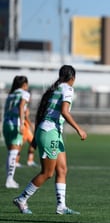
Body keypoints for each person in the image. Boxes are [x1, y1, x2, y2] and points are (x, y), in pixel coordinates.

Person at [13, 65, 87, 214]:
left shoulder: (55, 88)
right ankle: (22, 199)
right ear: (72, 78)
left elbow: (42, 112)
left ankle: (61, 207)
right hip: (50, 132)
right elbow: (64, 112)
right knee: (47, 173)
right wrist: (79, 129)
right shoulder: (67, 89)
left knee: (62, 169)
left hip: (51, 131)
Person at [2, 76, 30, 188]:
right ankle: (9, 180)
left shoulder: (11, 94)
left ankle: (10, 179)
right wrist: (22, 122)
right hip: (15, 124)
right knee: (14, 153)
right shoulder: (24, 93)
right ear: (24, 85)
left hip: (6, 124)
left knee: (10, 153)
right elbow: (21, 106)